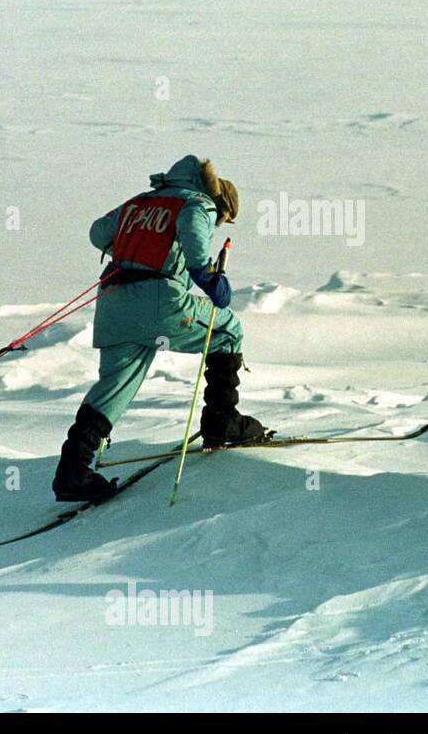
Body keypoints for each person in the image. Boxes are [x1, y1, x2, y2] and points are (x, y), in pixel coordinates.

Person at [52, 155, 268, 502]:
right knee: (227, 331)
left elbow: (98, 232)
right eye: (223, 220)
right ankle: (222, 421)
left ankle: (73, 474)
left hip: (114, 303)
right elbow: (197, 250)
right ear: (220, 203)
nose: (218, 226)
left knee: (113, 388)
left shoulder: (141, 201)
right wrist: (212, 280)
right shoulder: (199, 203)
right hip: (159, 302)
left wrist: (134, 244)